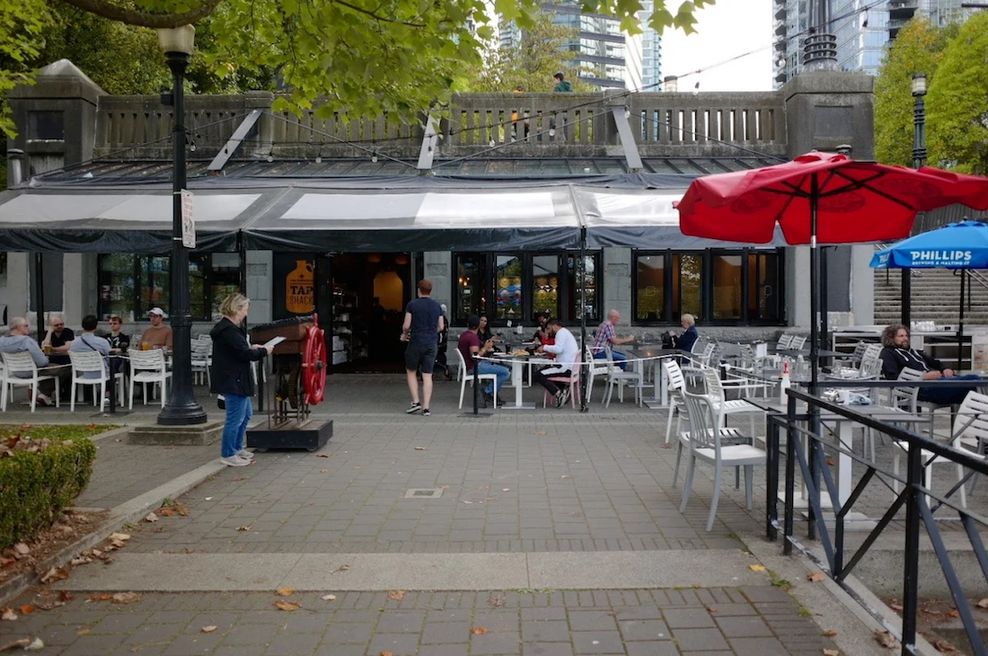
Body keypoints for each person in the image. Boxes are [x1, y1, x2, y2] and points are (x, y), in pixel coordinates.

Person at [210, 293, 272, 467]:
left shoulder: (230, 329)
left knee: (245, 416)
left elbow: (239, 349)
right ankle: (228, 453)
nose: (246, 312)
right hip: (233, 379)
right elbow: (243, 354)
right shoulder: (229, 330)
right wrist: (264, 351)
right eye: (245, 308)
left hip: (236, 377)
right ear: (237, 309)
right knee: (235, 418)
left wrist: (253, 347)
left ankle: (237, 448)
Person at [879, 324, 981, 405]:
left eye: (906, 336)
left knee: (973, 391)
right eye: (901, 336)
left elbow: (935, 363)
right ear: (891, 338)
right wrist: (923, 377)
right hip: (922, 388)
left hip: (938, 381)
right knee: (974, 382)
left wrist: (945, 369)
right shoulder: (888, 353)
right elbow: (893, 378)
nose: (905, 338)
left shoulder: (913, 351)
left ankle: (974, 423)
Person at [401, 279, 444, 416]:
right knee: (427, 375)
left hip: (415, 342)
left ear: (419, 290)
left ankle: (415, 402)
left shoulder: (412, 305)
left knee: (411, 371)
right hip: (431, 343)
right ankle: (426, 407)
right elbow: (441, 326)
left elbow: (407, 325)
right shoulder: (437, 306)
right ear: (430, 291)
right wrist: (431, 332)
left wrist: (404, 335)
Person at [0, 316, 61, 405]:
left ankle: (37, 390)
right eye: (26, 325)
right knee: (64, 369)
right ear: (18, 327)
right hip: (32, 371)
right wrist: (46, 358)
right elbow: (42, 362)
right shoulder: (27, 341)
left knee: (50, 369)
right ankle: (43, 394)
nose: (29, 327)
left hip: (15, 372)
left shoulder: (1, 341)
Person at [458, 314, 509, 407]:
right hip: (475, 367)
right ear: (478, 325)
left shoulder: (464, 335)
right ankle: (487, 392)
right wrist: (485, 348)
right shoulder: (472, 337)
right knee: (506, 372)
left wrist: (485, 347)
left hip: (472, 365)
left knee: (502, 365)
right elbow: (475, 356)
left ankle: (491, 393)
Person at [534, 318, 579, 407]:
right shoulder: (565, 332)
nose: (548, 331)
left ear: (554, 326)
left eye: (548, 328)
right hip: (567, 365)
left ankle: (558, 393)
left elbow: (558, 349)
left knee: (538, 374)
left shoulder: (560, 333)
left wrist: (544, 347)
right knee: (544, 370)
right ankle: (563, 389)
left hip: (564, 367)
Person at [69, 314, 111, 381]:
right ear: (95, 327)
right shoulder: (103, 342)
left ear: (82, 326)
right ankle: (109, 390)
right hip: (101, 374)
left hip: (81, 374)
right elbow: (109, 359)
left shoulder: (73, 343)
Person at [434, 303, 452, 380]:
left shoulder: (440, 320)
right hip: (442, 344)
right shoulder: (445, 320)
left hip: (438, 343)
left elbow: (440, 330)